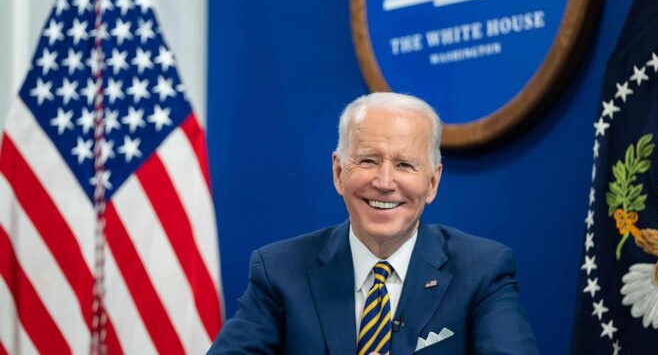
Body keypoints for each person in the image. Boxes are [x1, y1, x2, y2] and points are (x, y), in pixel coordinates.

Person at [208, 93, 538, 354]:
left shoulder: (481, 270)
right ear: (338, 172)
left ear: (433, 183)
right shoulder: (279, 270)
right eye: (368, 160)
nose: (384, 181)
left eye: (405, 165)